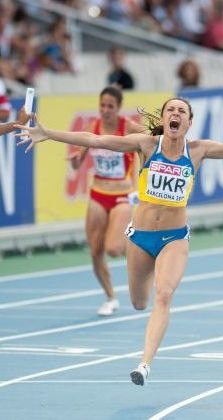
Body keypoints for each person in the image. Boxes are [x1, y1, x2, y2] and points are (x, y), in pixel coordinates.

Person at [16, 97, 223, 386]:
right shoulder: (146, 145)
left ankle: (144, 364)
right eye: (170, 110)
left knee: (164, 295)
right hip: (141, 237)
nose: (175, 114)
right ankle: (141, 297)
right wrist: (48, 133)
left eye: (181, 111)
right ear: (164, 119)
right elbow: (95, 140)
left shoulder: (198, 150)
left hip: (174, 237)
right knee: (139, 302)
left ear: (188, 122)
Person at [68, 85, 144, 316]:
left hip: (122, 195)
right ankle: (111, 297)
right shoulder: (93, 128)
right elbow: (77, 162)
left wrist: (138, 180)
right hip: (98, 194)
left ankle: (142, 254)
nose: (105, 110)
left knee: (113, 248)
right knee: (95, 251)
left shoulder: (129, 128)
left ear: (119, 108)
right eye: (102, 105)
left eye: (110, 106)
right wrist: (73, 159)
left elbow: (149, 147)